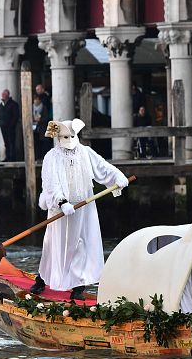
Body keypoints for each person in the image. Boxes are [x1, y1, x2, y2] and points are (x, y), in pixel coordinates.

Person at [31, 118, 130, 301]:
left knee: (81, 244)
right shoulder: (51, 157)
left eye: (71, 136)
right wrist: (62, 202)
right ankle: (41, 279)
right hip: (61, 211)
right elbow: (51, 182)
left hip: (84, 208)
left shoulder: (85, 152)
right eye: (65, 136)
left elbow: (102, 167)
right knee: (53, 245)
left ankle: (78, 286)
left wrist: (118, 176)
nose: (68, 140)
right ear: (59, 137)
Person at [0, 89, 20, 162]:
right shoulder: (1, 104)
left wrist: (12, 124)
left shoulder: (13, 104)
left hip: (10, 127)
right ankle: (7, 156)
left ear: (7, 95)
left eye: (4, 94)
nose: (2, 96)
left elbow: (16, 116)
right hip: (3, 126)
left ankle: (12, 157)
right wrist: (0, 123)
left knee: (11, 142)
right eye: (2, 94)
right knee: (6, 142)